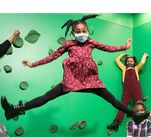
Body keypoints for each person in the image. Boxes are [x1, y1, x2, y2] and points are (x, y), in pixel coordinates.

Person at [1, 14, 141, 121]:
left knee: (112, 99)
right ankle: (13, 110)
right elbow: (52, 56)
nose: (82, 34)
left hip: (90, 80)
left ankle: (133, 115)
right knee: (47, 97)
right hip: (72, 80)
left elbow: (108, 47)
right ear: (73, 33)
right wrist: (33, 64)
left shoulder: (91, 42)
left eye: (84, 30)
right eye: (78, 32)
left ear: (88, 31)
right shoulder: (68, 44)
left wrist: (125, 46)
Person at [107, 53, 148, 131]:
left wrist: (144, 56)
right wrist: (123, 54)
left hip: (136, 88)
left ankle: (142, 121)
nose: (129, 62)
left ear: (134, 62)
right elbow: (117, 60)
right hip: (126, 89)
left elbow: (142, 63)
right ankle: (116, 122)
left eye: (131, 61)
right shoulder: (124, 68)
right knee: (122, 105)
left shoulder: (136, 68)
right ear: (126, 63)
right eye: (128, 61)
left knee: (139, 103)